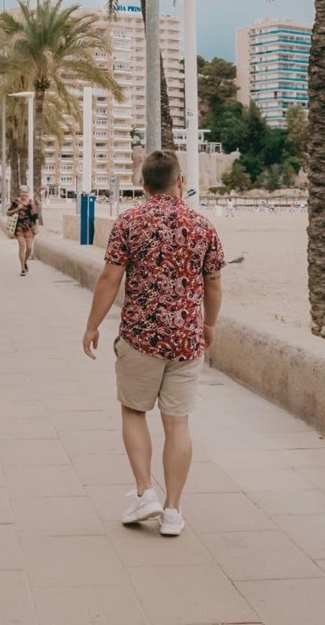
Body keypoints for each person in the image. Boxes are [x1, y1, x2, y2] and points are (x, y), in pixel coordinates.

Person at [82, 150, 225, 537]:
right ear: (180, 182)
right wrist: (208, 325)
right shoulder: (202, 226)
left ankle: (145, 492)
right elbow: (213, 284)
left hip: (140, 337)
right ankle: (173, 511)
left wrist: (92, 325)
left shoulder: (129, 221)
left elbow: (110, 278)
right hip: (185, 340)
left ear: (144, 185)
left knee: (133, 411)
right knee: (178, 423)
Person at [7, 185, 38, 276]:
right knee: (22, 246)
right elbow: (8, 213)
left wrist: (37, 227)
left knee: (29, 248)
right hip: (19, 228)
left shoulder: (31, 202)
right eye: (22, 192)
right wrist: (17, 208)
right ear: (19, 192)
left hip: (29, 228)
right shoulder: (15, 202)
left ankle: (25, 262)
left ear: (28, 193)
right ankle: (22, 268)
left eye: (26, 192)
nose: (24, 194)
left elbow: (36, 216)